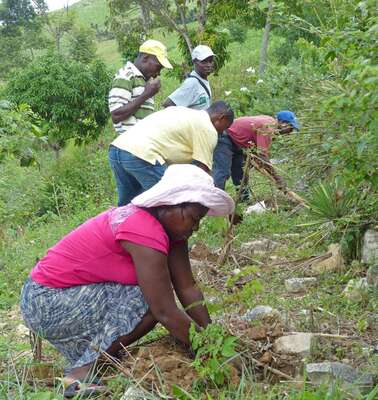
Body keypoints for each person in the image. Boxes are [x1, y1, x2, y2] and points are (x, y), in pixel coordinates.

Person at [20, 164, 234, 398]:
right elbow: (164, 311)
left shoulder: (173, 233)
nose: (195, 227)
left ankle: (92, 360)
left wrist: (213, 337)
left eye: (199, 221)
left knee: (151, 296)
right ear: (169, 204)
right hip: (45, 300)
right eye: (192, 218)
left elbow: (188, 288)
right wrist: (209, 351)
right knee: (148, 299)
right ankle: (82, 371)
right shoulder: (142, 229)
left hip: (71, 296)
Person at [109, 101, 234, 206]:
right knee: (170, 203)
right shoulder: (208, 128)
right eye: (225, 126)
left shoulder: (185, 112)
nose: (222, 132)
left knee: (126, 207)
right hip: (143, 155)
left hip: (118, 148)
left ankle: (120, 233)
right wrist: (217, 204)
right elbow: (202, 172)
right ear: (221, 118)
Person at [213, 110, 300, 200]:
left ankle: (244, 200)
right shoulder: (268, 127)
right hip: (225, 136)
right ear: (282, 123)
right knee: (222, 171)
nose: (290, 131)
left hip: (237, 141)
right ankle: (214, 200)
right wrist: (278, 179)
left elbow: (258, 153)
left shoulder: (271, 123)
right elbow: (262, 156)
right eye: (290, 128)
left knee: (240, 172)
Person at [108, 39, 172, 135]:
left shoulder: (144, 81)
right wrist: (146, 94)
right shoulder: (126, 76)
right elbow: (116, 115)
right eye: (158, 67)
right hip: (128, 145)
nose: (158, 73)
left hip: (141, 144)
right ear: (145, 58)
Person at [162, 45, 215, 110]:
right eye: (204, 62)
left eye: (210, 61)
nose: (209, 65)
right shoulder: (192, 83)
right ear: (194, 62)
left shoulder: (202, 80)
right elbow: (168, 104)